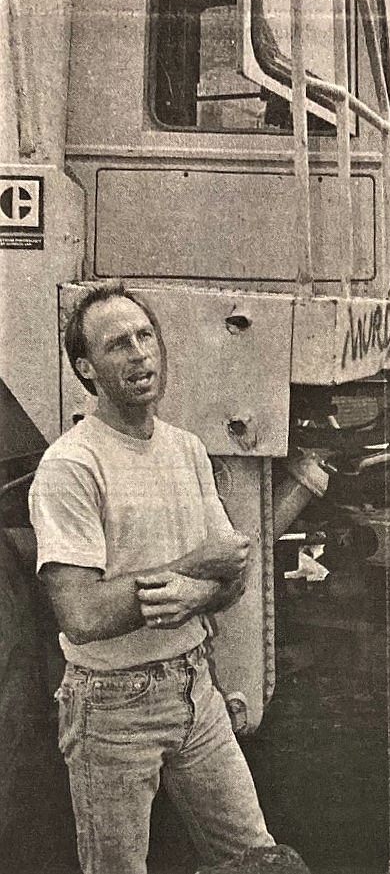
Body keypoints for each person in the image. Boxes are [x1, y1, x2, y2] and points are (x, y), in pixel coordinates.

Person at [29, 279, 275, 874]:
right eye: (118, 345)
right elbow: (81, 615)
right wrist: (192, 572)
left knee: (256, 858)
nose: (140, 353)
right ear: (86, 368)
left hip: (195, 689)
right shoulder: (70, 466)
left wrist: (197, 593)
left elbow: (233, 575)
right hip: (112, 707)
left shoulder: (187, 449)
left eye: (146, 336)